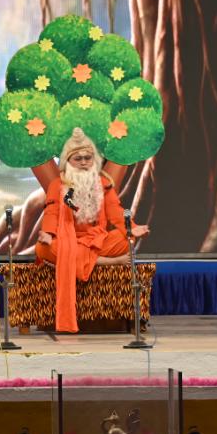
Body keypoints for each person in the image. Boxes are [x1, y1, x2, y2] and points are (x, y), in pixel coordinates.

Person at [35, 127, 149, 333]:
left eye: (87, 158)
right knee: (43, 249)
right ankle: (108, 261)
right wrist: (48, 234)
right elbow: (51, 212)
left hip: (95, 240)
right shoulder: (57, 185)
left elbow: (115, 211)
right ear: (67, 161)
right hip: (68, 240)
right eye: (77, 159)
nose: (83, 163)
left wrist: (132, 228)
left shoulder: (103, 183)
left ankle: (81, 260)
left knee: (125, 240)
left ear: (94, 160)